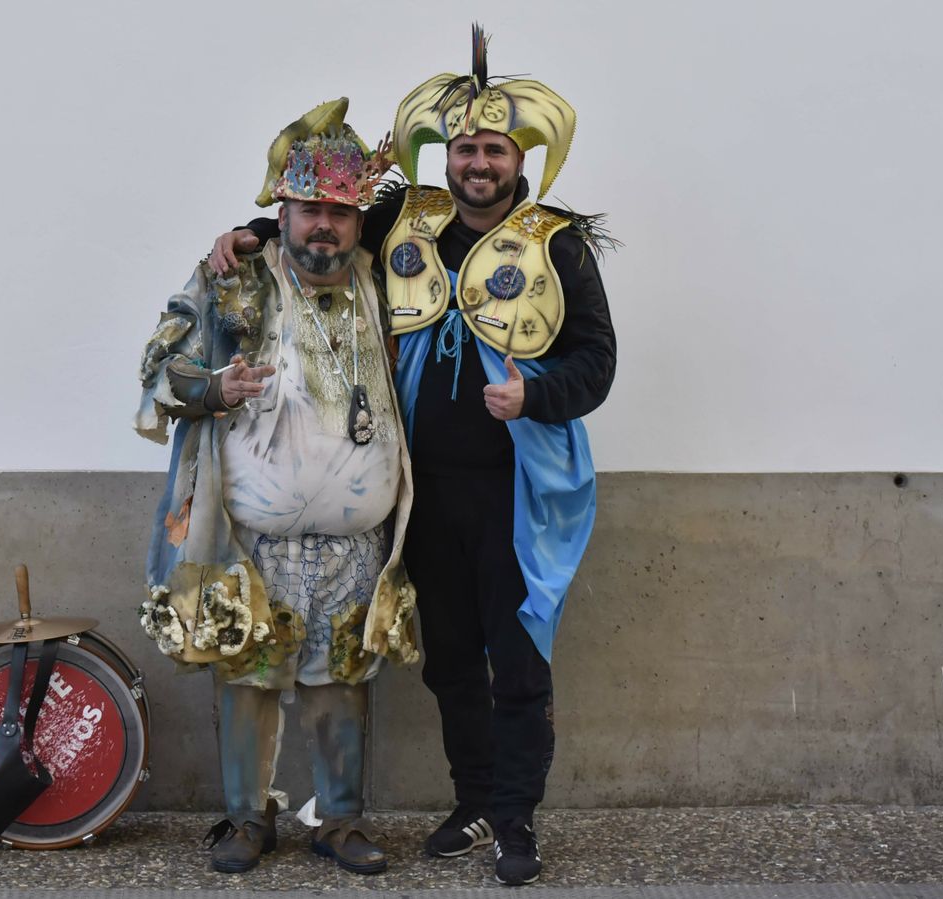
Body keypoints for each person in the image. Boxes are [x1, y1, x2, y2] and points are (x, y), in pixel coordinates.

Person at [209, 27, 616, 886]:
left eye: (494, 150)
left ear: (519, 160)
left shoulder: (558, 244)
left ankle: (515, 819)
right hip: (420, 497)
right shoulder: (407, 216)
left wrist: (535, 397)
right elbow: (323, 219)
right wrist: (246, 236)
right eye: (465, 147)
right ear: (448, 155)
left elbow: (596, 360)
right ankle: (472, 802)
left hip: (516, 491)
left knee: (517, 659)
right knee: (452, 660)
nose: (477, 163)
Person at [134, 98, 418, 876]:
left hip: (356, 542)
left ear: (360, 217)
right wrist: (215, 389)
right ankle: (244, 819)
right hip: (254, 537)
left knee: (342, 684)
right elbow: (160, 367)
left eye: (338, 209)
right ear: (280, 210)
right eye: (306, 209)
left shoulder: (389, 281)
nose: (322, 224)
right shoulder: (232, 277)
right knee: (249, 678)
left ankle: (341, 820)